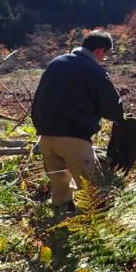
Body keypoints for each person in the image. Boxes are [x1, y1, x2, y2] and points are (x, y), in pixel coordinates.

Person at [31, 30, 123, 213]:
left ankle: (62, 227)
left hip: (46, 137)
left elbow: (39, 98)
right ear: (99, 51)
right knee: (93, 191)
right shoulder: (95, 71)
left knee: (60, 191)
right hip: (74, 138)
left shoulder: (56, 63)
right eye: (105, 54)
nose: (104, 59)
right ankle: (99, 232)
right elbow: (114, 110)